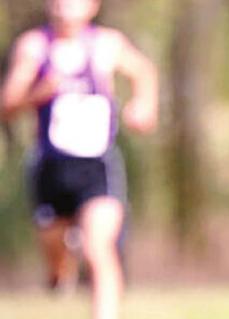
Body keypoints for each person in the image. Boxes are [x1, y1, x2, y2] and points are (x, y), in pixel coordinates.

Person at [0, 0, 158, 318]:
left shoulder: (105, 45)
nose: (64, 8)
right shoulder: (34, 47)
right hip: (51, 166)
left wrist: (144, 105)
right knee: (56, 259)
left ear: (92, 6)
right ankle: (62, 270)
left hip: (97, 166)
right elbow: (7, 104)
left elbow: (144, 71)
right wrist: (38, 93)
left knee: (99, 249)